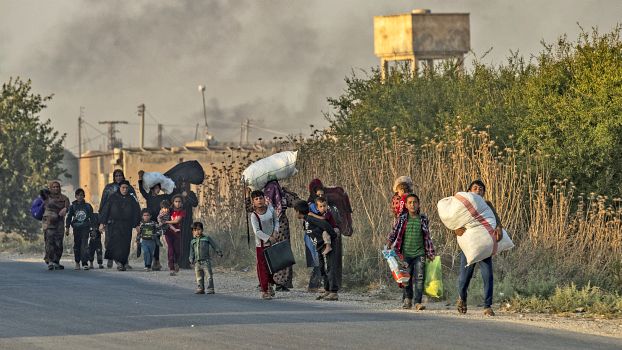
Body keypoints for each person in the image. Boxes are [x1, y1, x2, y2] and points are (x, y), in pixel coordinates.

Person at [454, 180, 503, 317]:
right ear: (469, 191)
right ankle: (462, 299)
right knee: (465, 277)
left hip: (484, 246)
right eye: (475, 188)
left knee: (488, 275)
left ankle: (487, 306)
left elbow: (496, 219)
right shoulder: (464, 206)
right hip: (468, 245)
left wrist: (499, 227)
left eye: (481, 189)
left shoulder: (487, 205)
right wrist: (456, 229)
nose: (478, 190)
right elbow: (454, 220)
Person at [387, 193, 436, 310]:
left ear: (418, 205)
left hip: (420, 254)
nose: (412, 205)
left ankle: (417, 302)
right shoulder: (403, 218)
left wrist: (430, 253)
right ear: (407, 206)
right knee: (406, 278)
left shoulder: (423, 219)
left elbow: (427, 237)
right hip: (405, 255)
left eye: (415, 202)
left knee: (419, 279)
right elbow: (395, 232)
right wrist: (389, 243)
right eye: (410, 203)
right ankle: (408, 299)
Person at [294, 200, 339, 301]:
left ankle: (334, 292)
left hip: (327, 245)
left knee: (330, 268)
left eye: (295, 211)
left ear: (298, 211)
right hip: (319, 247)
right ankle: (327, 290)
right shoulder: (306, 220)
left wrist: (332, 237)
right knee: (322, 268)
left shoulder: (310, 218)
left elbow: (325, 225)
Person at [262, 180, 298, 291]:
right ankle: (281, 282)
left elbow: (249, 206)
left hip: (267, 227)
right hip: (281, 227)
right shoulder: (283, 195)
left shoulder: (262, 196)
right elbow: (298, 203)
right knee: (282, 253)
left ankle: (269, 281)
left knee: (269, 253)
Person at [99, 180, 141, 271]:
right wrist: (102, 223)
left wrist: (137, 224)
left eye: (126, 188)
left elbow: (136, 212)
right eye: (123, 187)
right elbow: (106, 210)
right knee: (116, 243)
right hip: (115, 224)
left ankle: (123, 262)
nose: (125, 189)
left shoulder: (131, 199)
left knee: (125, 244)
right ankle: (119, 263)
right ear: (120, 188)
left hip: (127, 225)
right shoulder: (113, 197)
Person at [138, 170, 171, 271]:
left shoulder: (162, 197)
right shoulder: (148, 197)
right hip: (149, 222)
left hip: (158, 223)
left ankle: (156, 261)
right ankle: (150, 260)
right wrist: (140, 179)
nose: (158, 190)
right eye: (156, 188)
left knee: (156, 240)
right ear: (152, 189)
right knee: (148, 240)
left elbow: (169, 195)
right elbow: (142, 190)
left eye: (159, 188)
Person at [249, 190, 279, 300]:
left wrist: (275, 232)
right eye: (256, 199)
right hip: (261, 245)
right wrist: (268, 238)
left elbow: (276, 220)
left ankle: (270, 285)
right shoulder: (254, 216)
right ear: (253, 202)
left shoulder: (270, 208)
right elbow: (257, 231)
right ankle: (264, 289)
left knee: (272, 266)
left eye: (260, 198)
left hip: (273, 242)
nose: (259, 201)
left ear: (264, 198)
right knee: (262, 267)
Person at [42, 181, 70, 270]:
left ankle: (56, 261)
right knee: (49, 242)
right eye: (53, 187)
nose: (56, 188)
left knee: (59, 243)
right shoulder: (46, 197)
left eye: (57, 187)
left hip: (59, 223)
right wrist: (47, 189)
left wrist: (65, 209)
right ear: (50, 188)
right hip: (48, 223)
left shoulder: (64, 198)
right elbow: (41, 192)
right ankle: (50, 261)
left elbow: (69, 207)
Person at [189, 222, 223, 294]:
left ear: (202, 230)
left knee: (209, 276)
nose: (197, 232)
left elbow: (214, 245)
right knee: (199, 277)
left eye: (199, 229)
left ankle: (210, 289)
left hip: (206, 261)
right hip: (197, 262)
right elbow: (191, 252)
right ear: (193, 231)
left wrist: (219, 252)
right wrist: (191, 259)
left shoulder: (206, 238)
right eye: (195, 230)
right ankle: (200, 288)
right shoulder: (193, 241)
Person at [65, 188, 94, 270]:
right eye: (78, 195)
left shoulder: (88, 206)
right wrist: (67, 228)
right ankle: (77, 262)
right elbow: (69, 217)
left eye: (81, 195)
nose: (80, 197)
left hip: (85, 227)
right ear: (75, 196)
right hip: (76, 228)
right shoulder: (73, 206)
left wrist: (93, 228)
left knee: (84, 245)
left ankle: (85, 263)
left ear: (84, 196)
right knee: (77, 245)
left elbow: (92, 217)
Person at [173, 180, 198, 269]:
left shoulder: (191, 194)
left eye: (185, 183)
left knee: (187, 241)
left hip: (187, 221)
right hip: (178, 221)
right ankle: (178, 262)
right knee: (179, 242)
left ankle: (187, 262)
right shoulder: (177, 194)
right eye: (182, 183)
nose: (183, 185)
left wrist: (187, 196)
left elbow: (195, 203)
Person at [163, 195, 185, 276]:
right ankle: (171, 268)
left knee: (177, 251)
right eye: (176, 201)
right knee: (171, 249)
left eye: (179, 201)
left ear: (182, 203)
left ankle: (176, 262)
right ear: (173, 202)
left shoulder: (182, 211)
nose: (178, 203)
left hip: (177, 233)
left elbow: (176, 221)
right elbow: (162, 214)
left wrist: (166, 222)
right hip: (168, 232)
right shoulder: (169, 210)